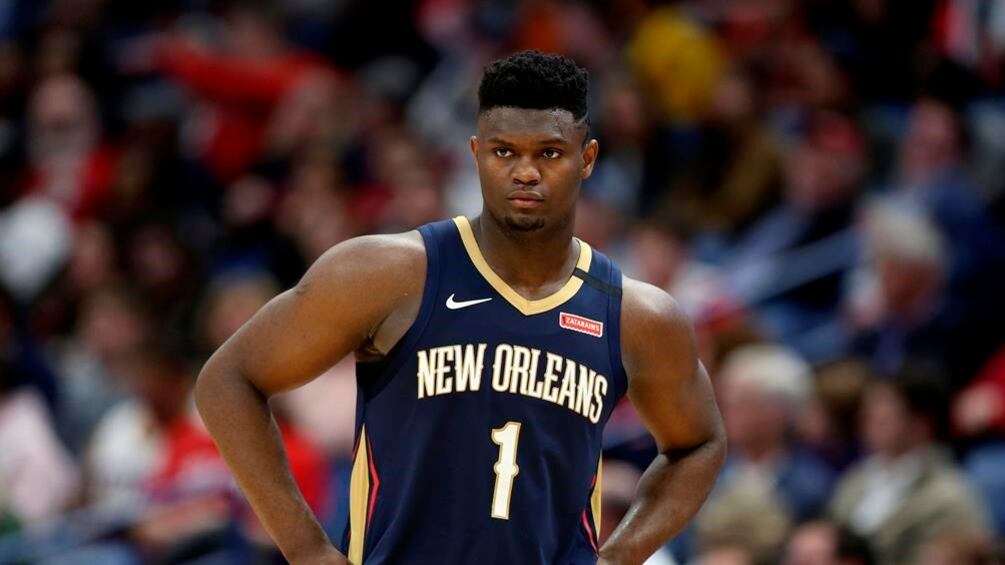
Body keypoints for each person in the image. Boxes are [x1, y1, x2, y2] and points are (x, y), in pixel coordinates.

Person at [196, 50, 726, 564]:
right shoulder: (386, 274)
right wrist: (307, 550)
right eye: (504, 152)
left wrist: (621, 553)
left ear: (586, 159)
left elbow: (700, 443)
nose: (525, 172)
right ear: (475, 153)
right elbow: (228, 380)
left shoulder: (634, 314)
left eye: (549, 153)